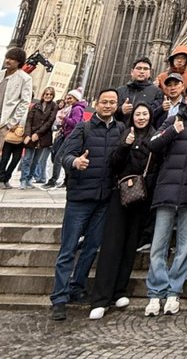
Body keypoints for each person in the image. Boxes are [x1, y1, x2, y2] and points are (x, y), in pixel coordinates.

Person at [49, 89, 124, 320]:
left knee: (91, 247)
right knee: (68, 248)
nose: (108, 105)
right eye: (104, 102)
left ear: (117, 105)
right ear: (96, 103)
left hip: (104, 198)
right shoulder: (84, 127)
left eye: (112, 102)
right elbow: (63, 156)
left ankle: (77, 287)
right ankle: (59, 298)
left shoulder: (120, 129)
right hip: (80, 197)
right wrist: (75, 162)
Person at [144, 81, 187, 316]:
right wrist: (173, 131)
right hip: (167, 189)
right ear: (186, 97)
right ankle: (155, 292)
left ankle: (174, 291)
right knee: (159, 244)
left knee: (184, 246)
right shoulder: (173, 119)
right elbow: (152, 144)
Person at [88, 104, 158, 319]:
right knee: (112, 245)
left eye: (145, 114)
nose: (141, 117)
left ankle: (119, 290)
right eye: (138, 114)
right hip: (120, 195)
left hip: (142, 197)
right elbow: (113, 164)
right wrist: (125, 146)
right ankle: (101, 298)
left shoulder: (155, 138)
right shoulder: (124, 133)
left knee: (130, 245)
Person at [46, 90, 87, 188]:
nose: (67, 100)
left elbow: (75, 123)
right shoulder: (73, 108)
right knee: (63, 157)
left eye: (70, 98)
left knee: (58, 157)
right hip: (67, 135)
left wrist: (64, 118)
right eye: (67, 98)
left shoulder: (77, 109)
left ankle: (54, 180)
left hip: (70, 136)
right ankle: (66, 180)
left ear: (76, 99)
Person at [20, 85, 57, 187]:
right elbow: (29, 120)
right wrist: (28, 134)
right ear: (43, 94)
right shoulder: (36, 106)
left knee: (36, 160)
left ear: (53, 96)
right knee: (27, 159)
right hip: (31, 136)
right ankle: (23, 179)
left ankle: (29, 179)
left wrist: (38, 133)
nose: (48, 96)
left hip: (43, 137)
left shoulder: (54, 106)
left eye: (50, 94)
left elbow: (49, 122)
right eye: (46, 94)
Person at [0, 47, 33, 157]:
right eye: (7, 58)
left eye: (12, 59)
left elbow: (25, 102)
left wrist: (10, 123)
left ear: (19, 62)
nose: (7, 61)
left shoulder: (25, 78)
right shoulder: (1, 74)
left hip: (3, 122)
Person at [116, 57, 162, 123]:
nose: (142, 71)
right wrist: (121, 110)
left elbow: (157, 116)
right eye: (139, 68)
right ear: (132, 72)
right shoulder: (120, 91)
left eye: (145, 69)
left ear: (150, 73)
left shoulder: (157, 92)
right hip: (121, 128)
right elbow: (108, 113)